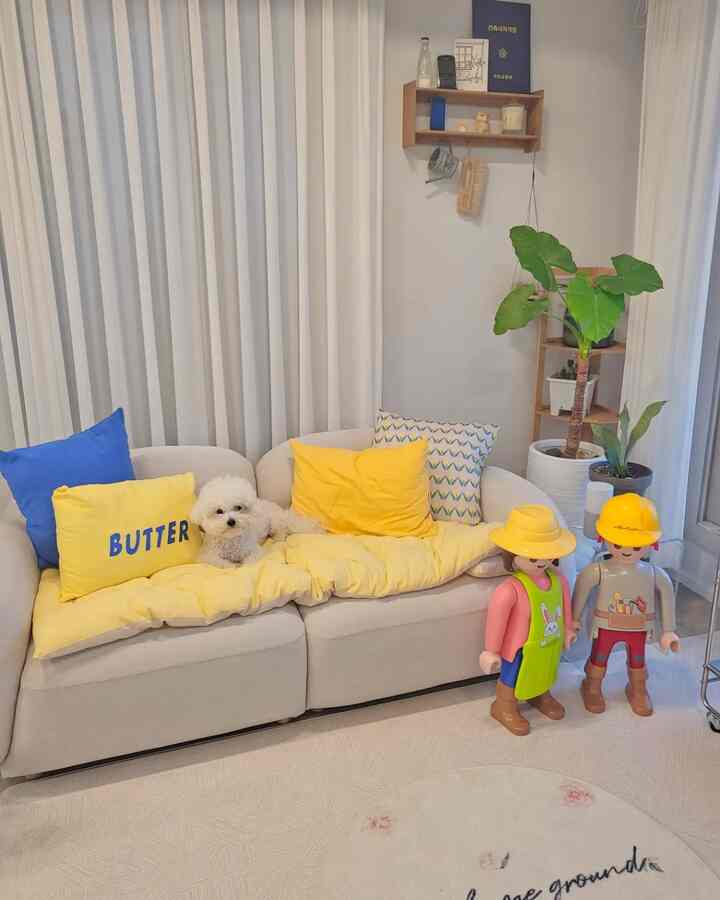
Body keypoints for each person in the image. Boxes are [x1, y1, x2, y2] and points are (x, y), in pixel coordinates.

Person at [572, 493, 679, 717]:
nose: (627, 550)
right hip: (606, 625)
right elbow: (581, 588)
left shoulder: (652, 573)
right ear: (604, 538)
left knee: (638, 659)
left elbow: (667, 594)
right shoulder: (599, 570)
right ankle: (592, 686)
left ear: (650, 543)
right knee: (599, 656)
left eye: (637, 546)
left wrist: (669, 631)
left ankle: (638, 688)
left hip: (638, 628)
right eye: (619, 543)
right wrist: (573, 620)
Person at [479, 505, 576, 736]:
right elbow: (497, 619)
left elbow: (564, 606)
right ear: (513, 554)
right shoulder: (510, 589)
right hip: (519, 646)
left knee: (546, 667)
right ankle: (504, 705)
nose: (541, 562)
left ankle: (541, 693)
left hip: (549, 640)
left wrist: (569, 628)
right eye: (533, 556)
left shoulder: (558, 580)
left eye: (547, 554)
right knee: (513, 674)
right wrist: (491, 651)